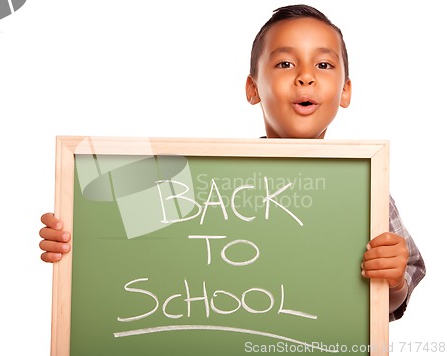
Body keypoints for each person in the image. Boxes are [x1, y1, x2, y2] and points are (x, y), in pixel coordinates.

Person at [39, 4, 425, 321]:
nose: (306, 77)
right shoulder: (207, 179)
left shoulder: (365, 190)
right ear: (252, 88)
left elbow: (390, 302)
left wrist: (393, 282)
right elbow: (123, 240)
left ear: (346, 91)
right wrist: (75, 237)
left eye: (323, 66)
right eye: (285, 64)